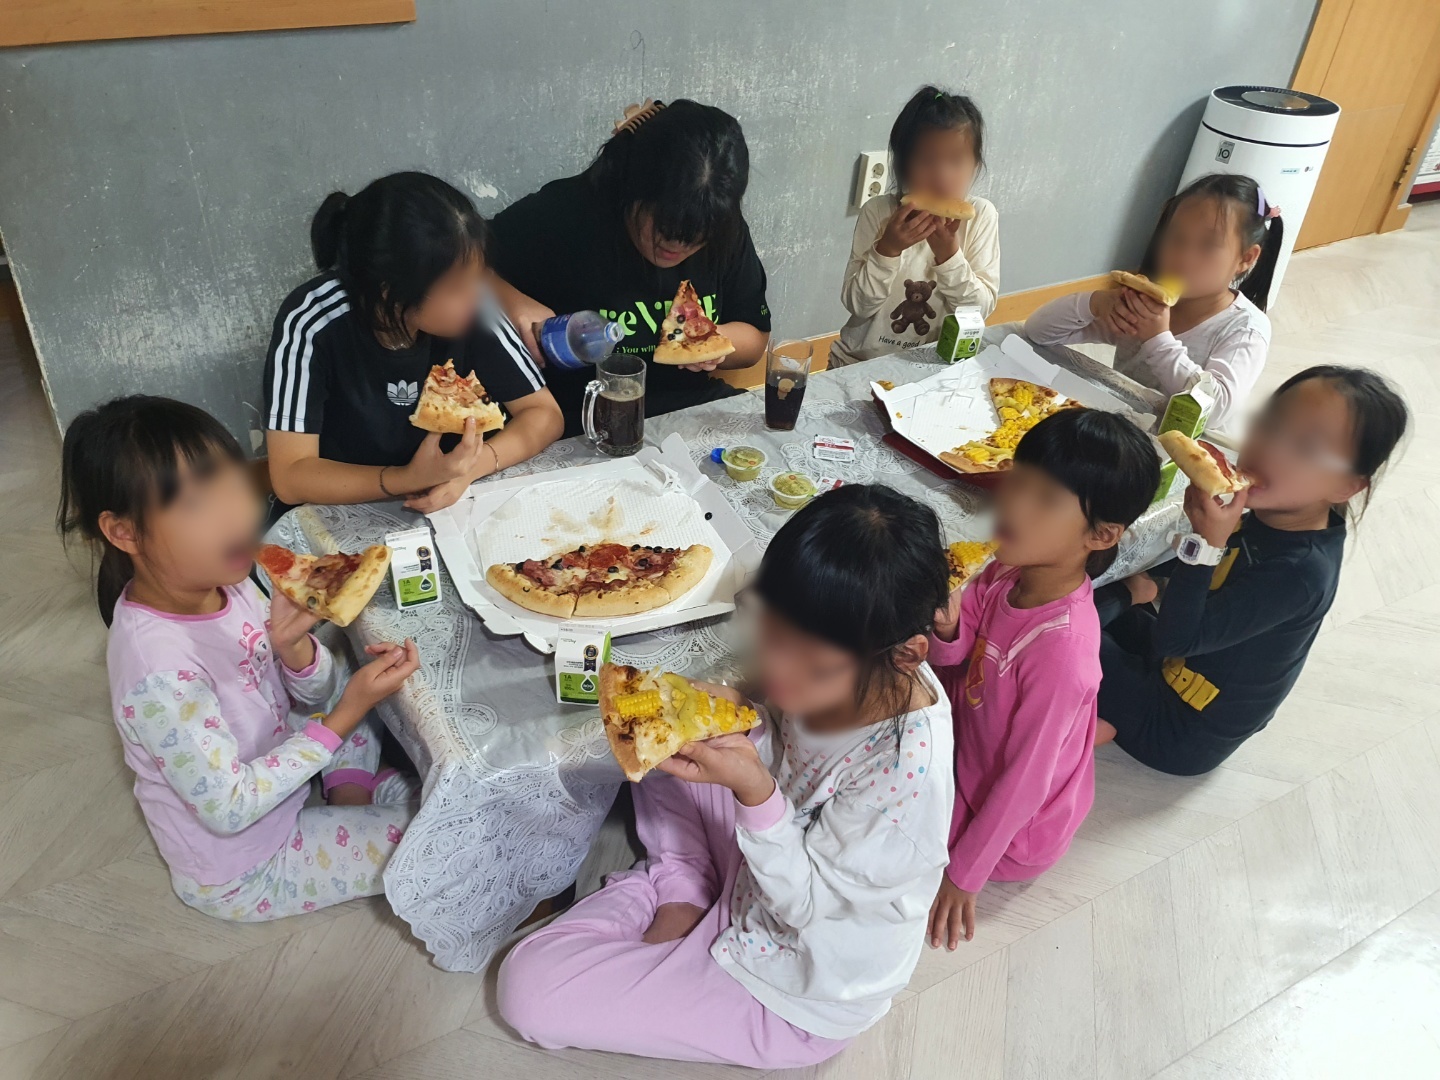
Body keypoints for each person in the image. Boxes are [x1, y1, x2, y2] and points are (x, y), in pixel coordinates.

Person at [496, 485, 955, 1069]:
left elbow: (808, 907)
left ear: (906, 655)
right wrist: (734, 708)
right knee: (665, 729)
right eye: (772, 634)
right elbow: (779, 730)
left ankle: (678, 885)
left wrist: (753, 791)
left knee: (529, 992)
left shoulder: (904, 782)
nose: (776, 670)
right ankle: (683, 882)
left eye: (807, 660)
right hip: (759, 856)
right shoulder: (854, 657)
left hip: (790, 979)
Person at [60, 395, 423, 920]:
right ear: (124, 532)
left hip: (278, 763)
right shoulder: (158, 673)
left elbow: (314, 692)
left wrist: (293, 650)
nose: (237, 516)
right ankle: (351, 795)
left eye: (234, 487)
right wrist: (344, 717)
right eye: (197, 505)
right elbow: (229, 809)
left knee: (349, 666)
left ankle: (347, 795)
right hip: (250, 864)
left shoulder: (224, 581)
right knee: (440, 844)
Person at [1095, 366, 1408, 776]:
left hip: (1180, 729)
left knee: (1052, 631)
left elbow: (1178, 637)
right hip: (1176, 660)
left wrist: (1205, 543)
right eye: (1271, 423)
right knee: (1086, 600)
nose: (1269, 449)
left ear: (1345, 487)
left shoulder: (1301, 572)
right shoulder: (1275, 511)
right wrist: (1154, 581)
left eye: (1305, 447)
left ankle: (1072, 719)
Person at [927, 409, 1160, 949]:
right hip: (971, 738)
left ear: (1101, 534)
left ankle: (1075, 745)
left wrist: (964, 876)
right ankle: (1079, 738)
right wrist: (948, 624)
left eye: (1046, 499)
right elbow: (958, 655)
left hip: (1013, 826)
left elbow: (1024, 781)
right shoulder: (1008, 567)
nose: (1013, 505)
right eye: (1017, 481)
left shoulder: (1063, 652)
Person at [263, 171, 563, 518]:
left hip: (447, 510)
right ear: (391, 291)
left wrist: (470, 468)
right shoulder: (314, 319)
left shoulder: (475, 307)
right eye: (455, 288)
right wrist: (405, 478)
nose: (476, 296)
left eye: (479, 277)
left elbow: (543, 414)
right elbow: (290, 476)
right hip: (344, 513)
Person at [488, 99, 772, 436]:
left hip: (686, 408)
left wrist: (714, 341)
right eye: (665, 226)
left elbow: (755, 338)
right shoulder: (562, 214)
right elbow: (458, 262)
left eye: (698, 236)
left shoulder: (724, 226)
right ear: (634, 189)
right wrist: (510, 300)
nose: (677, 246)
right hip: (580, 418)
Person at [1024, 173, 1281, 436]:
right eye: (1177, 238)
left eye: (1208, 244)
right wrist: (1095, 303)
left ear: (1246, 258)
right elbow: (1039, 332)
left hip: (1189, 449)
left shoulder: (1245, 328)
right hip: (1125, 428)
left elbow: (1214, 411)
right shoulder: (1144, 304)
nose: (1184, 256)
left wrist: (1157, 339)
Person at [831, 85, 999, 367]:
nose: (942, 176)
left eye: (956, 161)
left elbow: (978, 312)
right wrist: (888, 249)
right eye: (926, 161)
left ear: (975, 166)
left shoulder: (981, 216)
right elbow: (858, 305)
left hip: (932, 366)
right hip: (859, 361)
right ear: (903, 166)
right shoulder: (879, 212)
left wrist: (949, 257)